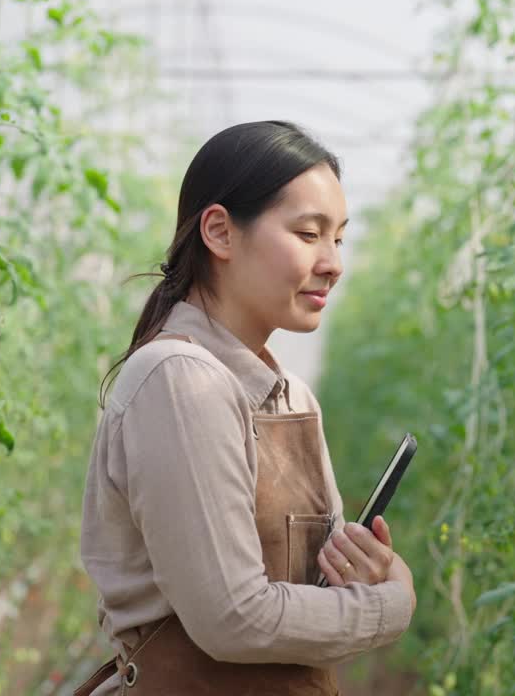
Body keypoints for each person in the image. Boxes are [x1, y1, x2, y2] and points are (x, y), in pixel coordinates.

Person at [77, 121, 417, 695]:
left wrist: (370, 571)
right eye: (309, 234)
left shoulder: (290, 396)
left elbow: (310, 590)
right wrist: (392, 605)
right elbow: (233, 618)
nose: (333, 262)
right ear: (220, 232)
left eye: (339, 238)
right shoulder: (180, 381)